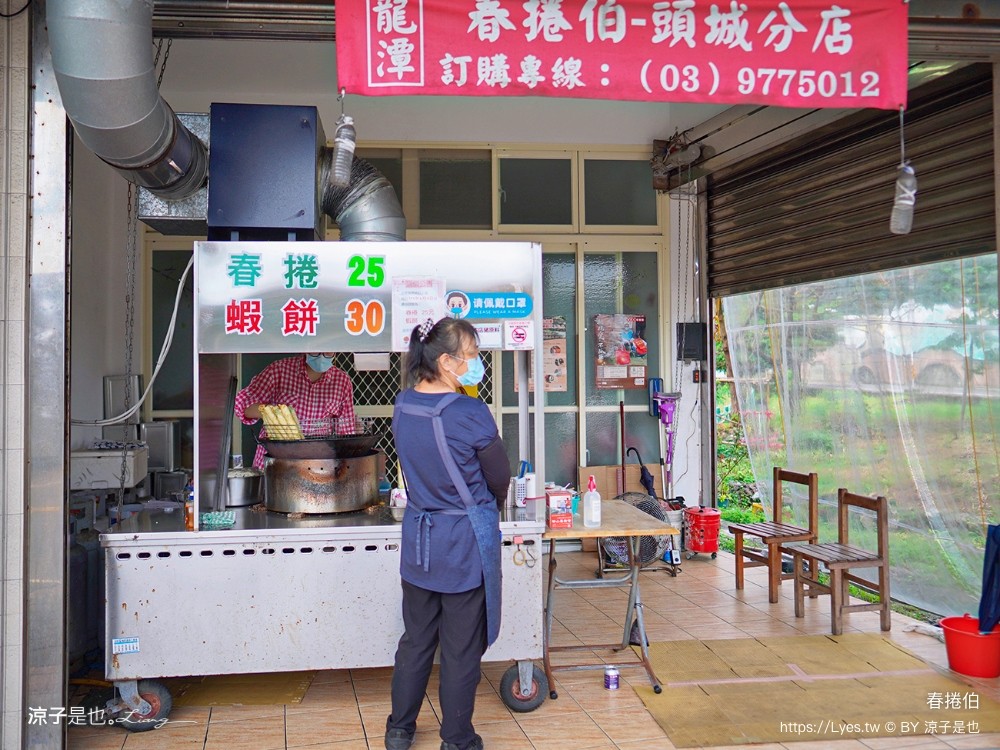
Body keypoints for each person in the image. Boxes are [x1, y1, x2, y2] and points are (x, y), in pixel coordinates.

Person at [384, 318, 511, 750]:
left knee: (416, 639)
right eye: (471, 355)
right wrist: (485, 503)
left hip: (419, 540)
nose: (476, 363)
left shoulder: (403, 404)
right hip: (462, 544)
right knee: (460, 650)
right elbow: (499, 477)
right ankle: (457, 739)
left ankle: (399, 729)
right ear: (445, 361)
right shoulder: (469, 412)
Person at [234, 352, 355, 469]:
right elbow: (242, 405)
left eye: (327, 353)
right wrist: (269, 412)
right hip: (274, 461)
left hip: (318, 465)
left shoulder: (342, 381)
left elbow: (347, 432)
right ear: (304, 349)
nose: (321, 356)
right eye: (316, 351)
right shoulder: (279, 370)